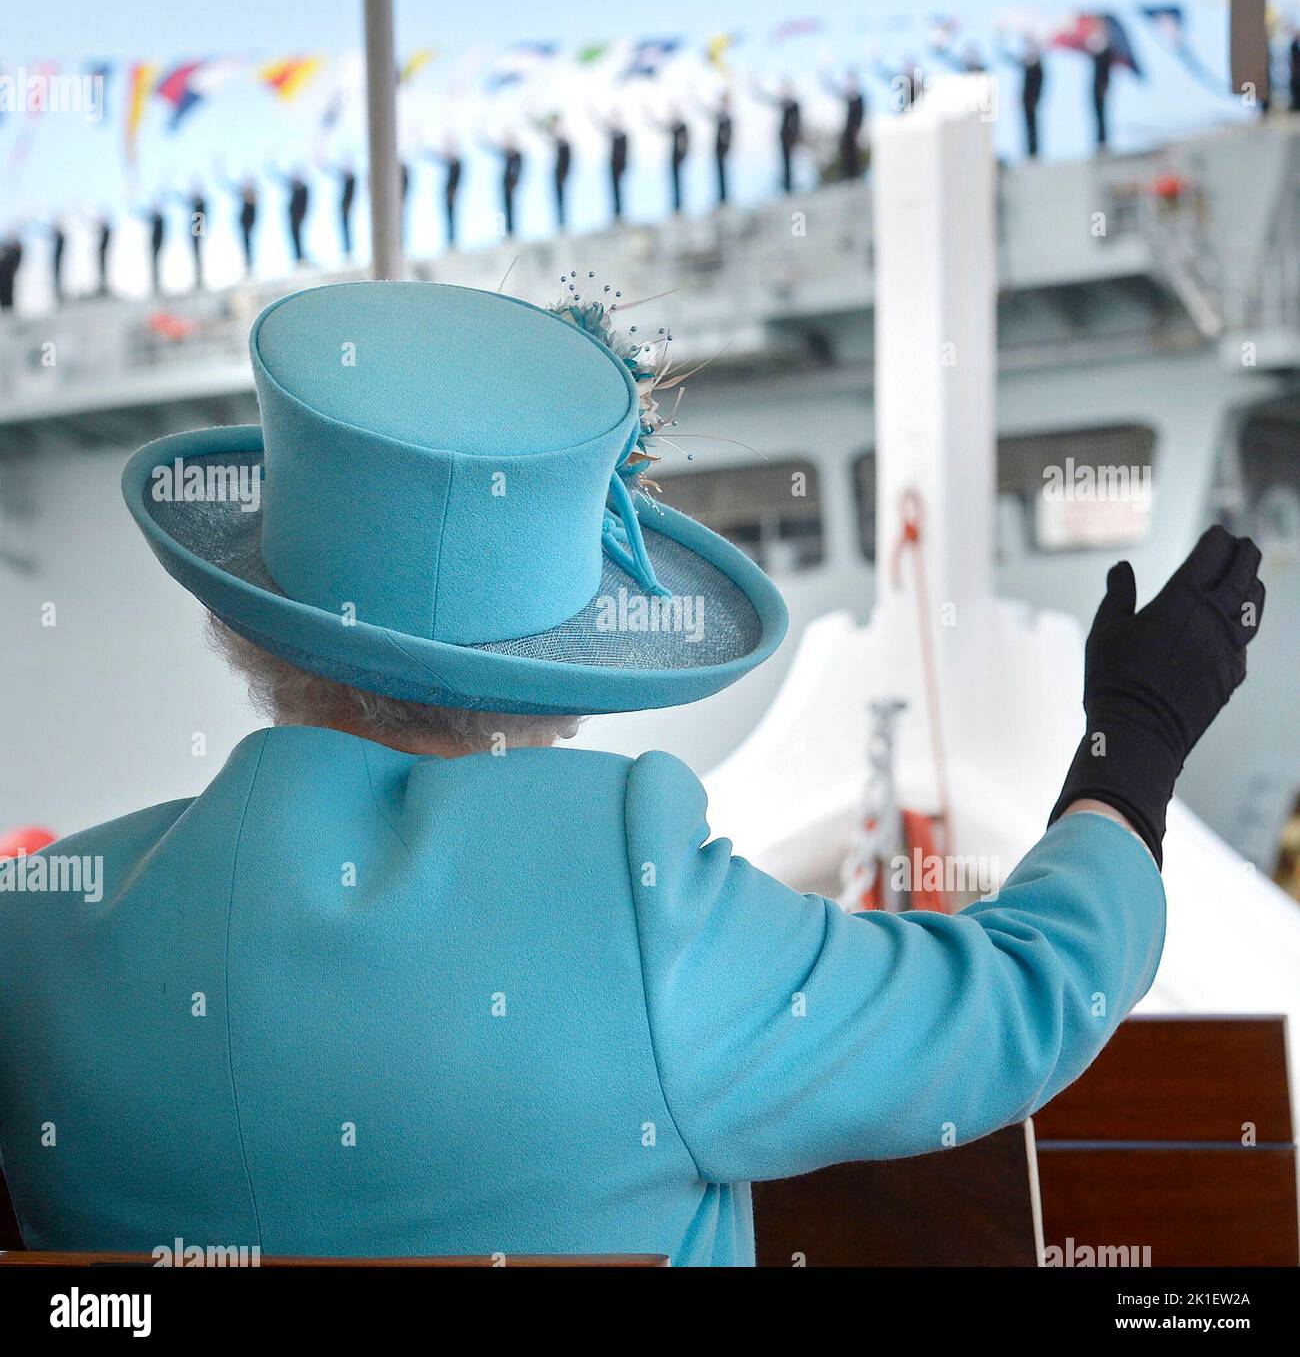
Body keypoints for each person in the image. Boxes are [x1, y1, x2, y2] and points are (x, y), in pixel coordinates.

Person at [0, 279, 1266, 1264]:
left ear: (241, 618)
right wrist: (1130, 747)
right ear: (568, 657)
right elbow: (1017, 1001)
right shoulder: (633, 893)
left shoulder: (39, 935)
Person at [998, 35, 1046, 158]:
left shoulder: (1038, 65)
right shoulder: (1027, 63)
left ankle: (1034, 151)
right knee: (1026, 126)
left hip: (1033, 101)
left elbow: (1040, 83)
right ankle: (1030, 151)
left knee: (1033, 125)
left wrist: (1036, 98)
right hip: (1025, 100)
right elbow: (1012, 59)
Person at [754, 76, 801, 193]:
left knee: (792, 161)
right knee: (784, 161)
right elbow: (768, 98)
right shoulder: (783, 103)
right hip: (783, 138)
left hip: (792, 138)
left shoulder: (795, 105)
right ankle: (786, 186)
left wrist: (795, 136)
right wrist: (757, 87)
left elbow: (797, 123)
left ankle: (791, 185)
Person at [529, 114, 571, 230]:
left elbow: (567, 160)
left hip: (562, 174)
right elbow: (543, 131)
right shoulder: (554, 141)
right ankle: (560, 222)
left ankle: (564, 222)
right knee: (556, 198)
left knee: (563, 197)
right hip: (556, 173)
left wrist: (565, 173)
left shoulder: (565, 143)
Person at [823, 68, 866, 180]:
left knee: (854, 154)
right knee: (845, 152)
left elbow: (861, 115)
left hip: (855, 131)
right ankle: (848, 175)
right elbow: (834, 89)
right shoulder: (848, 96)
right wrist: (827, 76)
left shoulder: (860, 98)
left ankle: (855, 175)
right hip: (847, 130)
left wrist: (858, 131)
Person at [480, 131, 523, 238]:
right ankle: (507, 231)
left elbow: (519, 170)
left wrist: (515, 182)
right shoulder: (506, 153)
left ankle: (513, 231)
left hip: (511, 185)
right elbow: (492, 147)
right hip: (505, 185)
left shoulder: (517, 154)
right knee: (504, 209)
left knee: (512, 207)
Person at [648, 105, 689, 215]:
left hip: (679, 157)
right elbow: (661, 126)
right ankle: (676, 205)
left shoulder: (682, 127)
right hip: (673, 158)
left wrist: (683, 154)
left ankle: (680, 205)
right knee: (674, 181)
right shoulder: (674, 127)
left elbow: (684, 143)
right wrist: (650, 115)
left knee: (679, 181)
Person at [592, 107, 630, 222]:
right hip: (613, 166)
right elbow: (601, 125)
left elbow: (625, 152)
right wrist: (593, 113)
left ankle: (620, 212)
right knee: (613, 189)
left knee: (620, 189)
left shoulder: (623, 135)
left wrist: (624, 166)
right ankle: (616, 213)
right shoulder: (613, 134)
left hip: (620, 166)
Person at [426, 139, 462, 248]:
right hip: (447, 195)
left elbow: (456, 180)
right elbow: (436, 158)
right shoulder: (449, 162)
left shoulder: (457, 164)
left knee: (451, 217)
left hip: (451, 195)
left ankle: (452, 240)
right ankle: (450, 240)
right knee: (447, 217)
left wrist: (453, 192)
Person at [171, 180, 207, 289]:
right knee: (195, 254)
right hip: (195, 231)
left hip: (198, 231)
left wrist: (198, 230)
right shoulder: (195, 201)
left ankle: (200, 279)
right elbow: (184, 200)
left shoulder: (201, 201)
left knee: (198, 253)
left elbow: (201, 216)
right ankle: (198, 278)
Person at [321, 155, 357, 258]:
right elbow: (335, 172)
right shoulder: (346, 177)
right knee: (344, 228)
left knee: (346, 228)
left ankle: (348, 250)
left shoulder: (351, 178)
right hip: (344, 209)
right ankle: (347, 250)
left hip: (346, 209)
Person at [702, 88, 733, 206]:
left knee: (724, 173)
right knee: (718, 174)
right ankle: (721, 198)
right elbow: (707, 111)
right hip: (718, 150)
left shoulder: (727, 119)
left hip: (723, 150)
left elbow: (728, 136)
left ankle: (724, 198)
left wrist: (726, 147)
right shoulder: (720, 117)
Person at [1087, 27, 1115, 151]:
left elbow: (1106, 74)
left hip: (1101, 88)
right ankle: (1100, 140)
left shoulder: (1106, 54)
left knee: (1103, 115)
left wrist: (1105, 86)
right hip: (1095, 89)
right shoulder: (1097, 55)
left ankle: (1103, 141)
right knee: (1097, 115)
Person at [95, 212, 112, 296]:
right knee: (101, 269)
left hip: (103, 255)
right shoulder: (105, 230)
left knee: (103, 269)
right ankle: (102, 285)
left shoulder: (106, 230)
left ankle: (104, 286)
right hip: (102, 255)